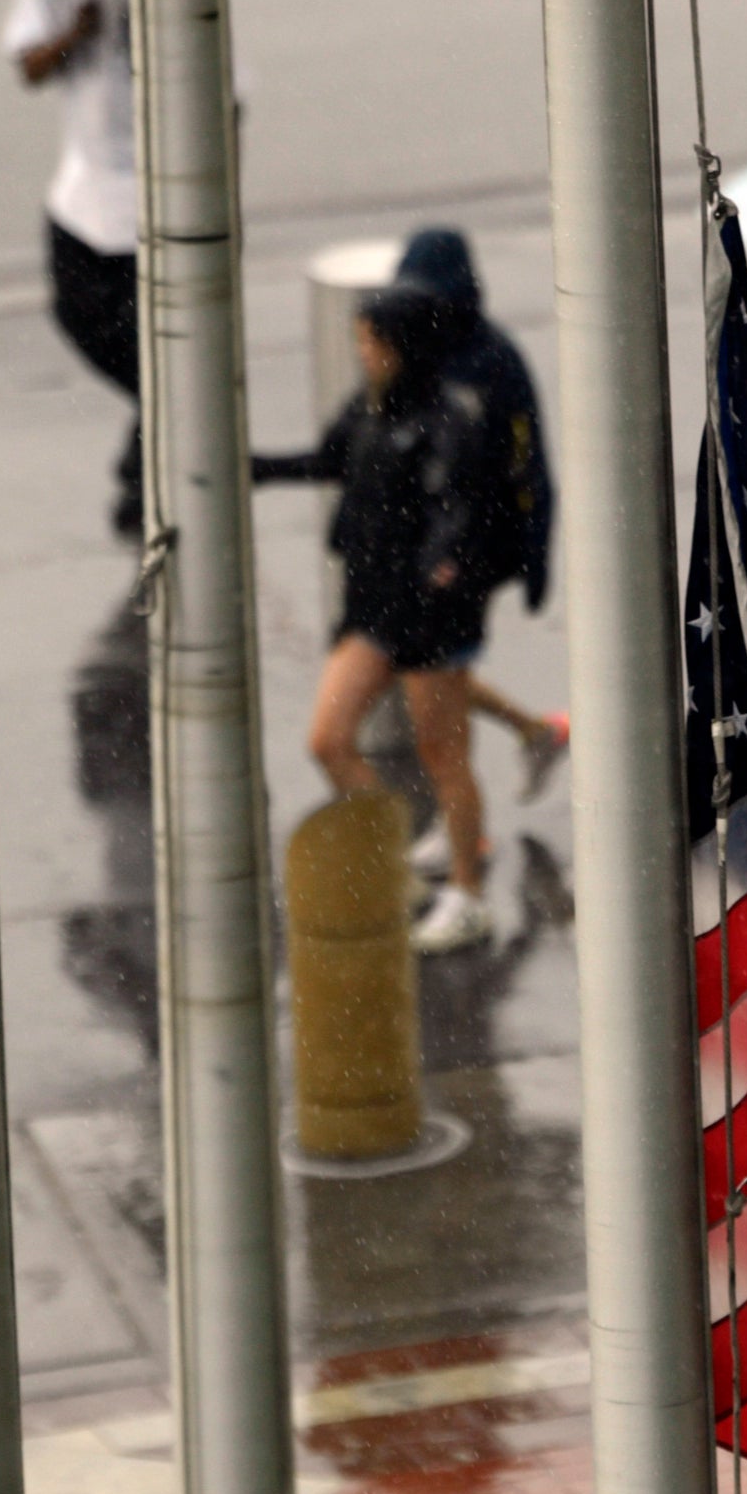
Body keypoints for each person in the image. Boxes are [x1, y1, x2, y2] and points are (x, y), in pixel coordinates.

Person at [253, 286, 517, 953]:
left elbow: (462, 513)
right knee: (330, 740)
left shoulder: (447, 421)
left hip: (429, 623)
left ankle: (468, 895)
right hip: (371, 611)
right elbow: (327, 460)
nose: (361, 351)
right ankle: (395, 864)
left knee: (444, 757)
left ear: (401, 347)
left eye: (370, 340)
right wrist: (249, 467)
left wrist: (441, 569)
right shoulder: (371, 405)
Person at [385, 229, 568, 865]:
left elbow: (528, 463)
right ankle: (534, 736)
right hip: (430, 549)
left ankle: (467, 844)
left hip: (469, 553)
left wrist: (535, 552)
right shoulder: (419, 352)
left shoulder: (492, 363)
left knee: (428, 683)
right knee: (434, 675)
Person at [2, 0, 142, 539]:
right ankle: (146, 461)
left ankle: (143, 477)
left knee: (162, 353)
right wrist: (73, 33)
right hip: (85, 199)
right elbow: (29, 67)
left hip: (155, 201)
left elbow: (231, 95)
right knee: (84, 318)